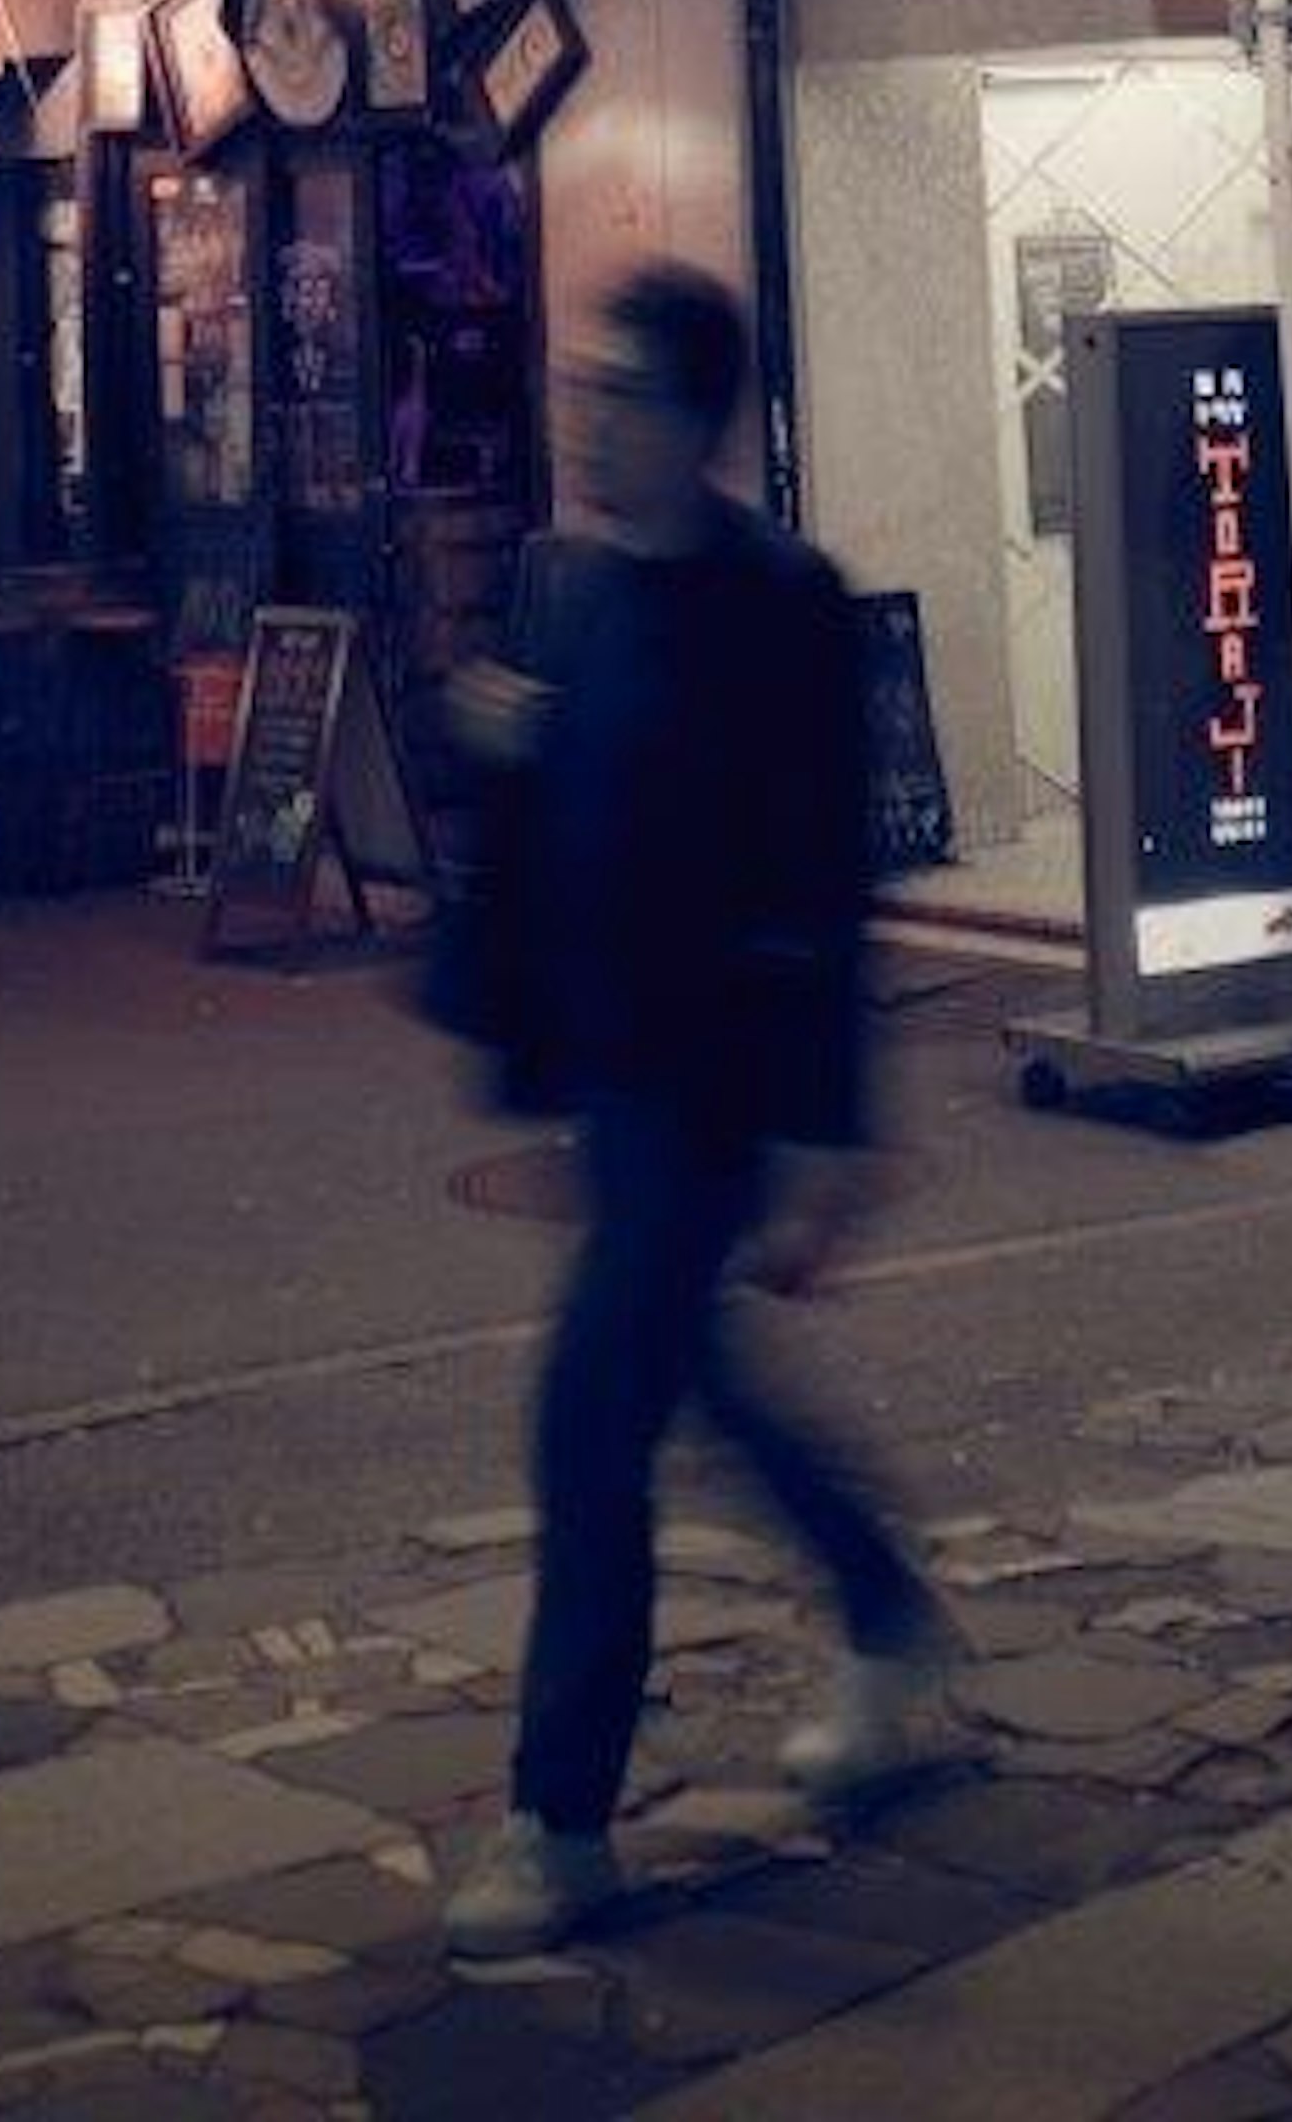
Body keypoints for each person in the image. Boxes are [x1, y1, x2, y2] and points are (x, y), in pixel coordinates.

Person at [433, 262, 942, 1959]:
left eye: (620, 393)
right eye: (577, 386)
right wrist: (490, 748)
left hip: (717, 1085)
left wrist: (824, 1133)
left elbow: (825, 874)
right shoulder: (560, 584)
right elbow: (528, 811)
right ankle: (883, 1607)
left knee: (589, 1423)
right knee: (695, 1382)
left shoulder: (784, 601)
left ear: (698, 419)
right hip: (610, 1071)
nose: (584, 416)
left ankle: (560, 1820)